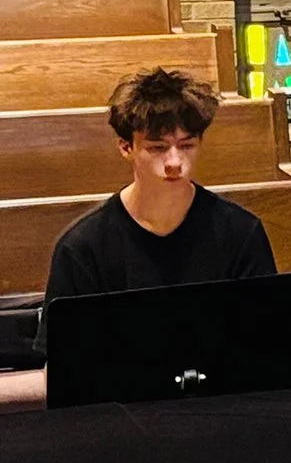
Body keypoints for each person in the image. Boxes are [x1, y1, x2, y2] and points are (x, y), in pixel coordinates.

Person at [37, 68, 277, 361]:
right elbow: (66, 363)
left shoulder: (241, 232)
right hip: (121, 403)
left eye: (187, 145)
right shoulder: (82, 248)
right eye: (157, 148)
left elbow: (265, 342)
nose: (175, 162)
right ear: (126, 147)